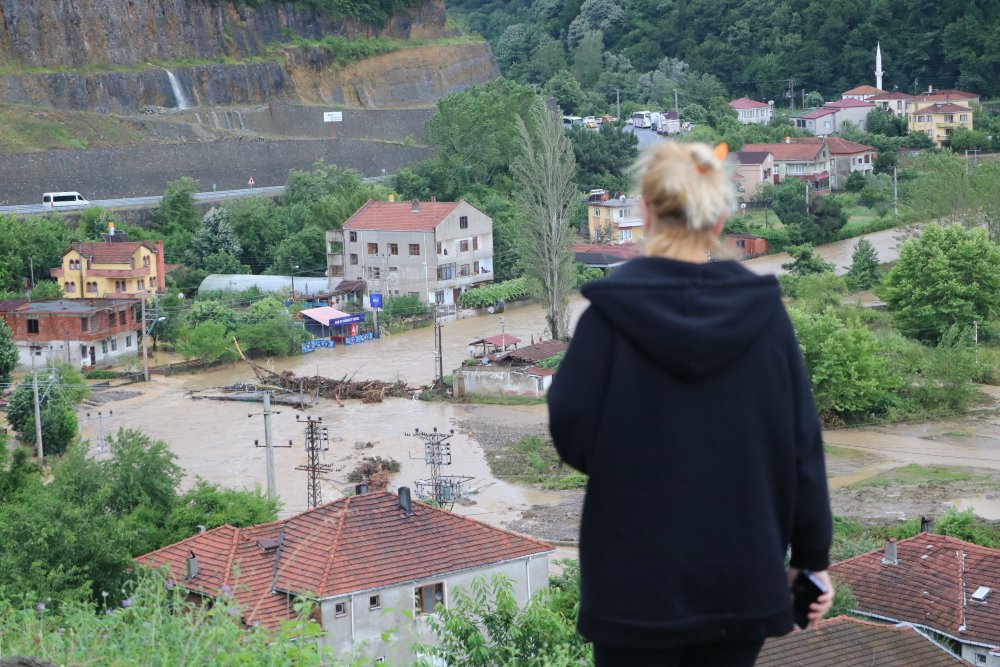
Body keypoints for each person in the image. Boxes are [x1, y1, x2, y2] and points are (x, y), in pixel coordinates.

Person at [548, 141, 833, 667]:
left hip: (633, 581)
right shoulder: (766, 316)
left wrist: (629, 463)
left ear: (647, 210)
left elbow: (570, 428)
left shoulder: (608, 317)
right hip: (741, 578)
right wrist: (812, 561)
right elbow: (802, 447)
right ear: (721, 215)